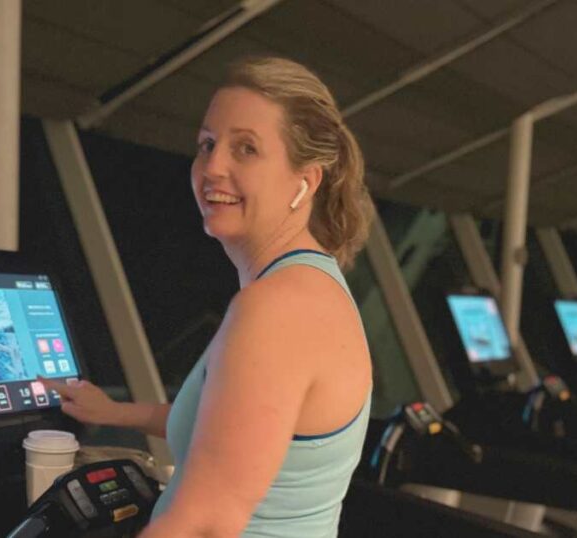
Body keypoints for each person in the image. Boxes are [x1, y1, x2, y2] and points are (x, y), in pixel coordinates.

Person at [40, 56, 373, 537]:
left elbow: (205, 522)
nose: (213, 167)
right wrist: (113, 412)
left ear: (306, 181)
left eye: (246, 149)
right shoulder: (309, 286)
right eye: (207, 145)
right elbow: (231, 427)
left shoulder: (279, 307)